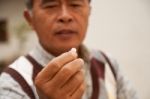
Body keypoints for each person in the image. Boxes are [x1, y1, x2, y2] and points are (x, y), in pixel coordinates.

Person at [0, 0, 138, 99]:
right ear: (30, 19)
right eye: (51, 5)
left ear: (89, 12)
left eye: (75, 4)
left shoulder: (108, 64)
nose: (65, 16)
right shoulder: (13, 82)